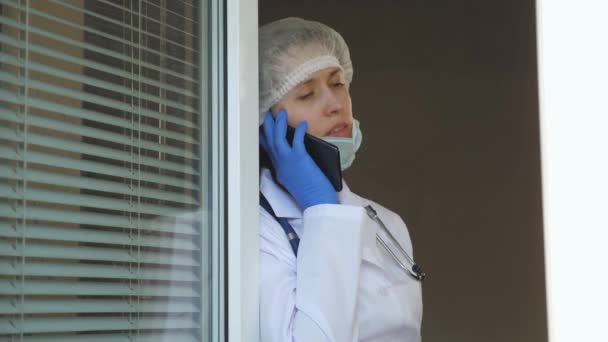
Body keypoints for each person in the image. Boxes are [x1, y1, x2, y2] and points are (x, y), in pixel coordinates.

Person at [258, 17, 423, 342]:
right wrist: (321, 207)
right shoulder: (250, 232)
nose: (335, 105)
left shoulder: (387, 222)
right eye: (306, 94)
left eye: (337, 84)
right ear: (266, 124)